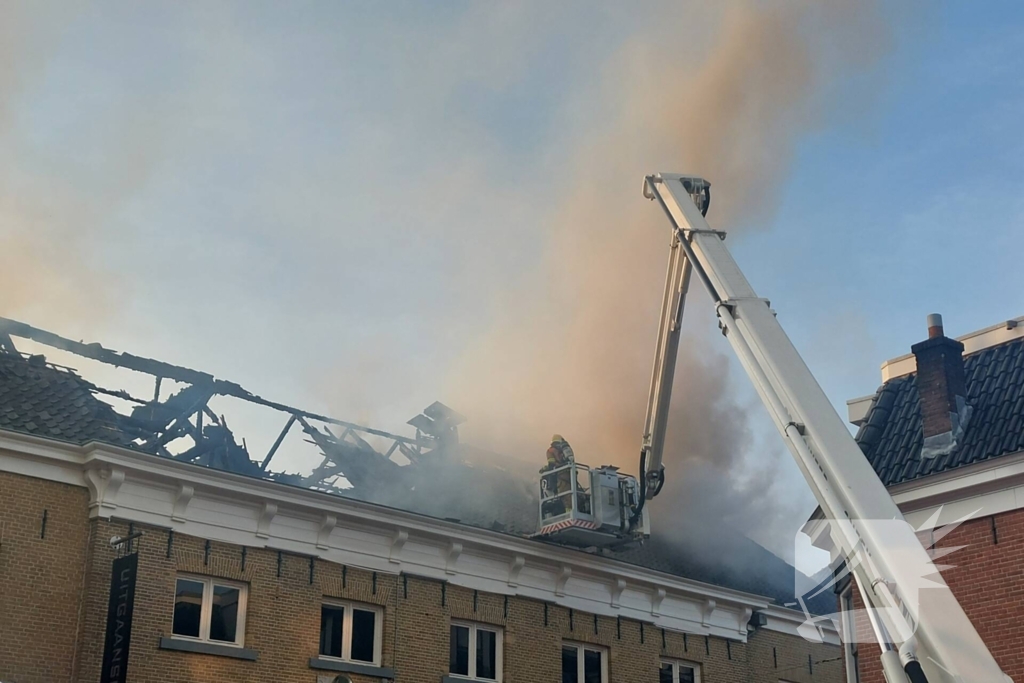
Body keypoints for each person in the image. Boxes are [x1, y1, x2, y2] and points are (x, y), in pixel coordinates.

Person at [541, 434, 576, 515]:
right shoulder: (565, 449)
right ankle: (571, 510)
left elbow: (552, 464)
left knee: (565, 494)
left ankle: (568, 513)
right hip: (570, 472)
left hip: (561, 474)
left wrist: (548, 471)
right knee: (571, 491)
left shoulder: (550, 450)